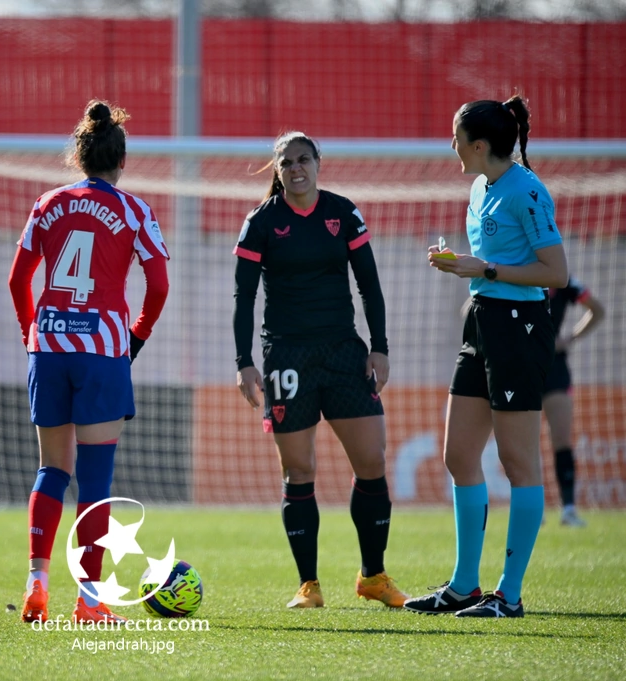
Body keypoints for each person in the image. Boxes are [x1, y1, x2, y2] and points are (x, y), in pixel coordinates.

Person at [404, 95, 568, 618]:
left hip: (519, 329)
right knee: (458, 455)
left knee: (519, 462)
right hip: (481, 321)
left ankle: (510, 595)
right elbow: (488, 264)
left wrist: (486, 269)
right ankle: (464, 586)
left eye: (455, 137)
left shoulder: (528, 190)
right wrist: (462, 266)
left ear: (478, 144)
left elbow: (555, 274)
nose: (450, 145)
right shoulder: (478, 186)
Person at [8, 100, 170, 624]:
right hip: (101, 352)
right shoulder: (134, 210)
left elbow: (17, 280)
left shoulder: (47, 204)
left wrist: (31, 332)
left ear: (78, 157)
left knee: (51, 470)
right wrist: (135, 339)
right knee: (95, 481)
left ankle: (36, 583)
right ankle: (90, 601)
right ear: (121, 161)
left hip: (49, 348)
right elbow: (159, 285)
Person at [233, 130, 408, 610]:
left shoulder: (342, 212)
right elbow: (243, 298)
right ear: (277, 169)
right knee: (299, 468)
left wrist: (380, 347)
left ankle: (373, 575)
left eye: (303, 159)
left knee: (372, 459)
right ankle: (308, 585)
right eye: (286, 162)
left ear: (318, 162)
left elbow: (369, 284)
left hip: (344, 354)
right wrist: (244, 362)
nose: (295, 168)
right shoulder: (260, 223)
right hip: (287, 357)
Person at [544, 277, 605, 527]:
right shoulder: (516, 273)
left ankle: (568, 509)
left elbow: (597, 311)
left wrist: (570, 338)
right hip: (521, 369)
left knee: (562, 440)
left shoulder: (564, 282)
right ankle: (531, 510)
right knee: (521, 443)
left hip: (555, 369)